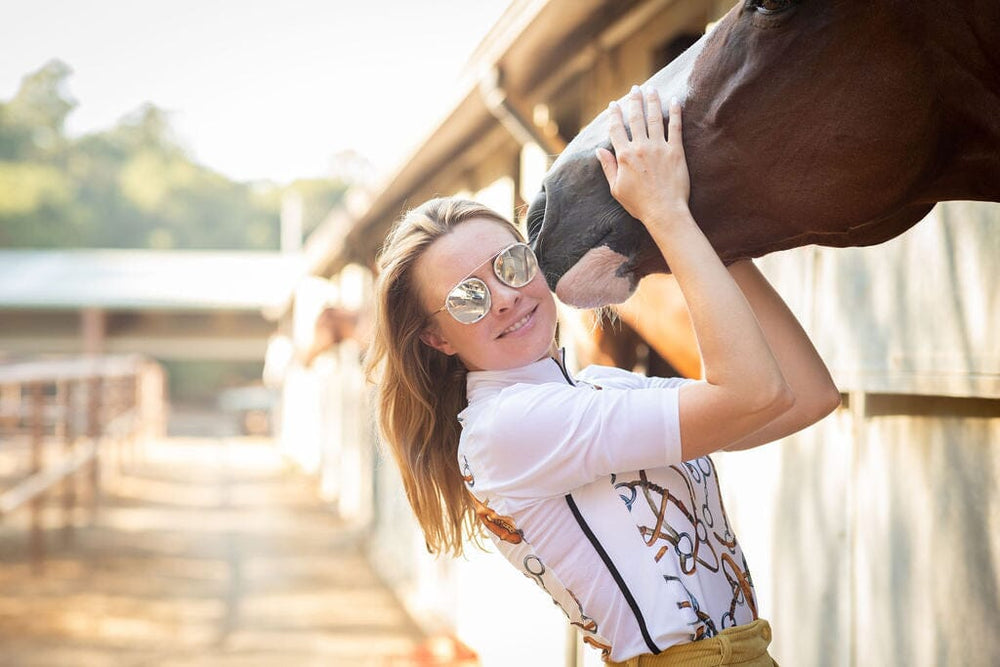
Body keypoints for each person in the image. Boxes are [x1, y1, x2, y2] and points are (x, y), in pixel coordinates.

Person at [364, 85, 840, 666]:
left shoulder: (599, 388)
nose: (507, 299)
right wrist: (669, 215)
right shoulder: (507, 425)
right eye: (468, 298)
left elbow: (805, 396)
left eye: (511, 265)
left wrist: (712, 231)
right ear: (436, 337)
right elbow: (752, 394)